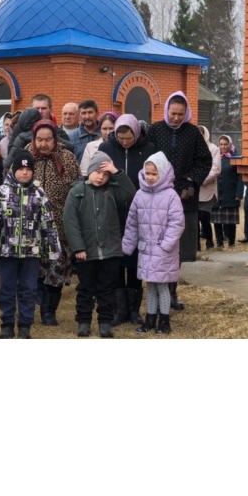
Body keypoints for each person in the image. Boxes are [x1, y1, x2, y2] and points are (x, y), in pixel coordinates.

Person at [146, 91, 212, 310]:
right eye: (173, 113)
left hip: (185, 197)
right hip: (158, 197)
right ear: (166, 110)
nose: (176, 118)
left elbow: (205, 161)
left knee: (178, 249)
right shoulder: (154, 131)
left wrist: (191, 181)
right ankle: (156, 292)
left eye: (180, 114)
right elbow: (146, 159)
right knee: (158, 245)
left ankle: (171, 293)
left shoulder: (193, 133)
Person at [0, 150, 61, 338]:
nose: (25, 173)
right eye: (21, 169)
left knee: (29, 289)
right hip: (7, 252)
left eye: (28, 169)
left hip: (31, 252)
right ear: (13, 170)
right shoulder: (2, 192)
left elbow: (48, 222)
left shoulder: (39, 193)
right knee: (6, 288)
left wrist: (53, 249)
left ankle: (25, 324)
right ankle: (7, 323)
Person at [63, 150, 135, 337]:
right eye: (97, 172)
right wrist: (78, 247)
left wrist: (117, 172)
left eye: (105, 174)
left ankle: (105, 322)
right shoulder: (77, 192)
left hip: (110, 251)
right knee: (86, 288)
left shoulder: (113, 191)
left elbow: (130, 194)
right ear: (90, 171)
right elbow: (70, 222)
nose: (100, 177)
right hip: (86, 252)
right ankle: (84, 321)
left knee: (107, 289)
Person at [99, 113, 158, 325]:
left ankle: (134, 309)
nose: (125, 142)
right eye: (121, 138)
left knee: (134, 262)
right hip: (113, 213)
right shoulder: (106, 149)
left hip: (139, 213)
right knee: (115, 262)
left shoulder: (148, 150)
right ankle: (118, 309)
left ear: (136, 132)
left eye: (129, 138)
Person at [121, 152, 186, 335]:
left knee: (162, 285)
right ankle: (150, 319)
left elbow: (177, 223)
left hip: (164, 251)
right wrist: (128, 245)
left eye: (154, 174)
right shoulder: (139, 195)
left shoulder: (171, 196)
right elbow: (132, 222)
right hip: (146, 250)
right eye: (147, 173)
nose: (150, 177)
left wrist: (165, 245)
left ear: (163, 174)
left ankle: (164, 321)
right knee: (149, 285)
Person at [26, 119, 81, 326]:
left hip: (59, 228)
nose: (43, 144)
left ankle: (49, 312)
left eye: (48, 139)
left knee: (56, 273)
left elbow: (77, 191)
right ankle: (32, 307)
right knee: (34, 273)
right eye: (39, 139)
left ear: (55, 139)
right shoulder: (26, 157)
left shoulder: (67, 158)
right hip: (31, 228)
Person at [211, 135, 243, 248]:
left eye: (225, 144)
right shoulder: (215, 158)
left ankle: (231, 243)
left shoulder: (235, 158)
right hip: (217, 193)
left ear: (229, 145)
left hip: (230, 193)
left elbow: (240, 177)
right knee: (217, 220)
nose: (223, 146)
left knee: (230, 222)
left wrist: (239, 194)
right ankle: (219, 243)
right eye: (221, 144)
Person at [197, 125, 222, 251]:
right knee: (194, 218)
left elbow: (216, 169)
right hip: (193, 189)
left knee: (204, 217)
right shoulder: (192, 149)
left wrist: (201, 180)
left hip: (207, 189)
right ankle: (195, 245)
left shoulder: (213, 149)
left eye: (201, 134)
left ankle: (209, 241)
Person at [78, 112, 117, 177]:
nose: (108, 132)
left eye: (111, 128)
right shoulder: (90, 146)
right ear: (100, 129)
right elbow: (84, 172)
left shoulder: (122, 146)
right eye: (104, 129)